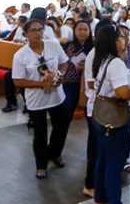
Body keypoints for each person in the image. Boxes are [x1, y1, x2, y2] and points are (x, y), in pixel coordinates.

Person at [86, 24, 130, 204]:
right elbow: (123, 93)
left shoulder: (102, 60)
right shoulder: (115, 64)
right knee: (114, 163)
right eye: (120, 37)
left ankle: (100, 199)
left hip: (101, 116)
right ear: (113, 41)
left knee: (102, 159)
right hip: (114, 118)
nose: (124, 40)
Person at [11, 19, 71, 179]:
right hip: (36, 99)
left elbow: (64, 63)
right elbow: (17, 81)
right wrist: (40, 84)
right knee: (40, 132)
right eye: (34, 31)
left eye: (40, 30)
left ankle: (55, 153)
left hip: (57, 96)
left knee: (61, 126)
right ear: (26, 34)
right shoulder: (20, 55)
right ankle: (41, 165)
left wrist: (58, 76)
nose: (38, 33)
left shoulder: (53, 45)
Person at [59, 20, 93, 118]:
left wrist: (85, 67)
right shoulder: (70, 46)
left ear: (89, 31)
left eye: (85, 29)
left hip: (89, 84)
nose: (82, 32)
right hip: (71, 82)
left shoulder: (94, 47)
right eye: (79, 29)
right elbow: (73, 65)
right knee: (67, 111)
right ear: (74, 31)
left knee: (90, 114)